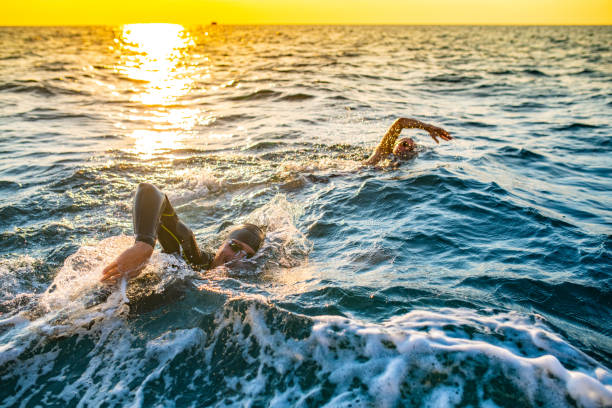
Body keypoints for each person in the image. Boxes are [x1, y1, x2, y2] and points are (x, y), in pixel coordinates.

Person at [101, 183, 265, 284]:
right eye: (235, 247)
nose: (237, 258)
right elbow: (150, 191)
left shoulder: (245, 285)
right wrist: (144, 244)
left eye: (247, 256)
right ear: (223, 243)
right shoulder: (191, 256)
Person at [363, 118, 452, 165]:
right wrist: (428, 127)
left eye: (410, 149)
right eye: (404, 144)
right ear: (393, 145)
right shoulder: (382, 153)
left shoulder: (405, 166)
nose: (406, 148)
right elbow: (400, 123)